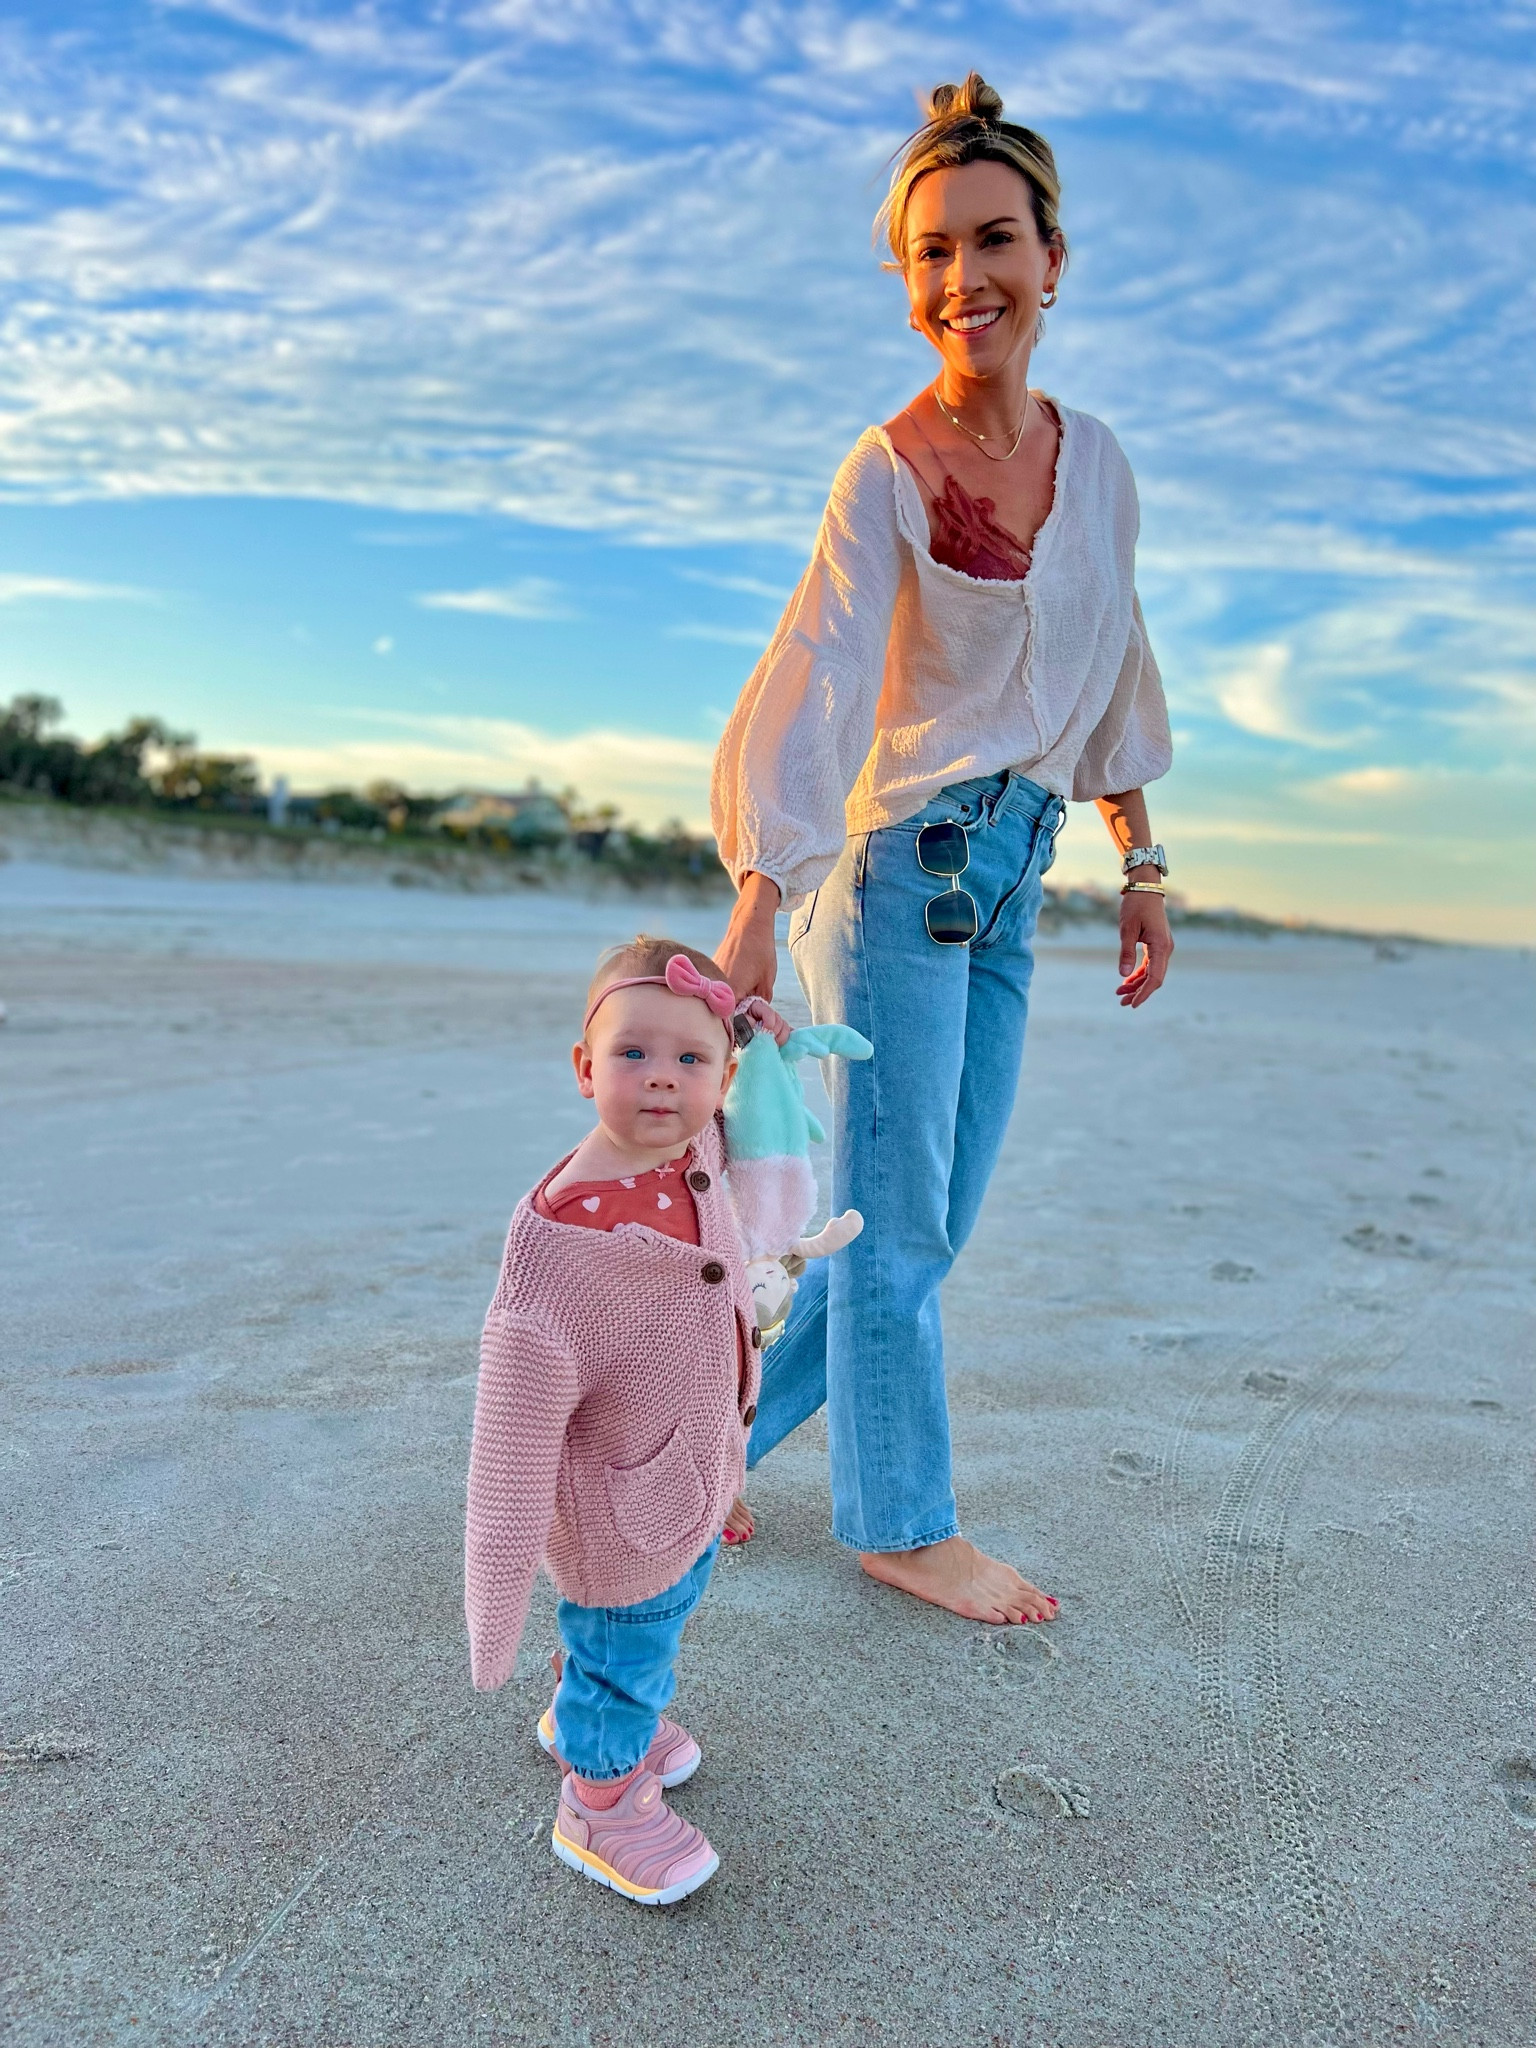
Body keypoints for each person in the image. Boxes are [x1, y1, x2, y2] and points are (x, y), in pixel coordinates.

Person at [712, 73, 1175, 1626]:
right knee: (900, 1229)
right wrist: (759, 899)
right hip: (900, 875)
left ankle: (707, 1444)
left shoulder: (1099, 466)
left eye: (992, 240)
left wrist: (1141, 861)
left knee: (924, 1226)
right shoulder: (888, 469)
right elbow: (823, 673)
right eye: (930, 251)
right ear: (904, 276)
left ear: (1053, 259)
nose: (962, 277)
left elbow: (1116, 654)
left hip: (1020, 873)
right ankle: (902, 1524)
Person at [464, 937, 760, 1906]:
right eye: (633, 1052)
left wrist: (755, 1037)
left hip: (688, 1483)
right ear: (584, 1066)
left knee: (645, 1633)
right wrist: (492, 1623)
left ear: (723, 1077)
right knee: (630, 1647)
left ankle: (583, 1698)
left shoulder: (695, 1152)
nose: (663, 1078)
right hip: (621, 1522)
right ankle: (598, 1799)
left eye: (691, 1058)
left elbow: (752, 1103)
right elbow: (508, 1454)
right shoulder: (559, 1245)